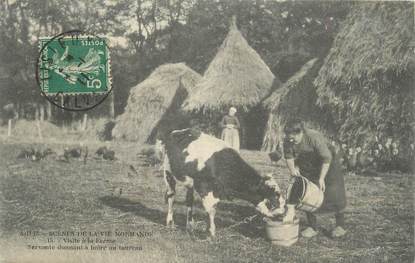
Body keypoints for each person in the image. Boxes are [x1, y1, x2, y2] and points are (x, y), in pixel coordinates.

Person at [283, 119, 347, 238]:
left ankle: (340, 226)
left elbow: (326, 158)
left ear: (301, 132)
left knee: (334, 191)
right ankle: (312, 227)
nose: (291, 140)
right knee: (306, 192)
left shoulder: (314, 137)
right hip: (307, 163)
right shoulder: (288, 140)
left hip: (327, 161)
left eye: (294, 138)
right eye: (289, 138)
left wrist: (321, 178)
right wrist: (292, 171)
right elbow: (288, 157)